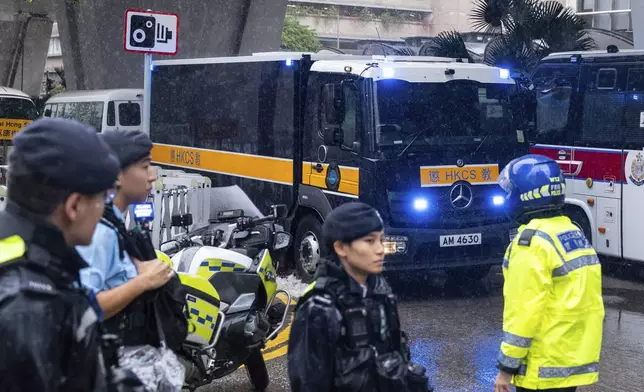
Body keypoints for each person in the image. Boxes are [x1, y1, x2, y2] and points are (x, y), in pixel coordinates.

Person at [0, 117, 120, 391]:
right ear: (74, 206)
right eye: (102, 197)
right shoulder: (28, 309)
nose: (103, 209)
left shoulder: (26, 263)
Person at [287, 202, 431, 392]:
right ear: (341, 248)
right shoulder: (319, 307)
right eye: (370, 241)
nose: (380, 249)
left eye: (381, 240)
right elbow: (308, 384)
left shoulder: (380, 290)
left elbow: (391, 353)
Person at [493, 154, 604, 392]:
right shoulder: (572, 232)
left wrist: (506, 369)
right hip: (570, 363)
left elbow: (524, 312)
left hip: (541, 367)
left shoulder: (531, 243)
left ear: (524, 195)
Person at [76, 129, 183, 349]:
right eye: (145, 166)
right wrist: (143, 281)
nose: (153, 175)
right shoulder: (99, 232)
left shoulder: (112, 223)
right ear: (116, 175)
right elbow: (83, 307)